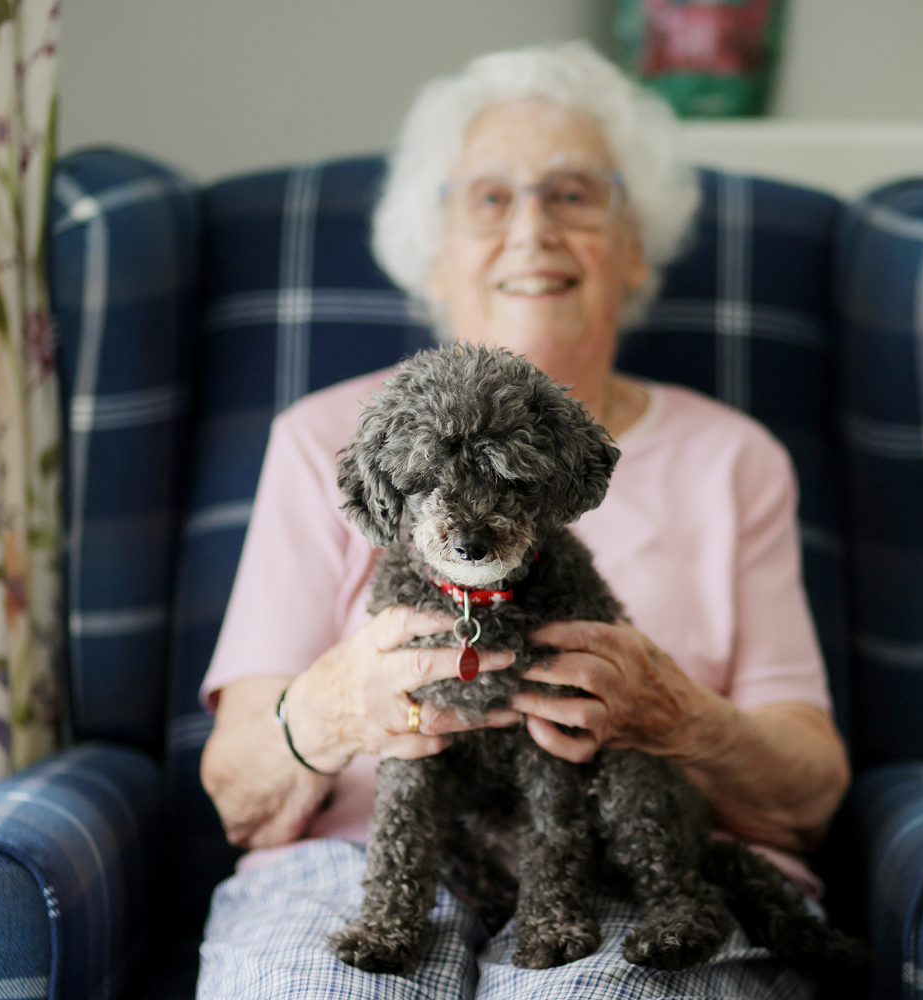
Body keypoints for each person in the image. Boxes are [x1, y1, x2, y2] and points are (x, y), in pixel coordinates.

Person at [197, 41, 850, 1000]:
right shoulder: (322, 440)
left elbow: (809, 798)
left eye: (575, 194)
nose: (532, 228)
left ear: (634, 246)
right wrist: (340, 705)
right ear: (437, 248)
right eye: (489, 198)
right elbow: (238, 796)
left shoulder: (736, 458)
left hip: (628, 856)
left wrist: (677, 718)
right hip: (348, 861)